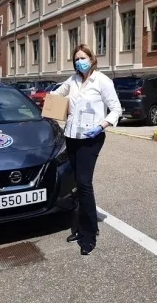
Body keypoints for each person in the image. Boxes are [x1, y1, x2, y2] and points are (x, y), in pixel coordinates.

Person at [51, 44, 122, 255]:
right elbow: (56, 95)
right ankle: (81, 226)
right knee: (76, 183)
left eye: (83, 58)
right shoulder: (72, 80)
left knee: (84, 183)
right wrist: (51, 99)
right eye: (76, 59)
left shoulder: (102, 81)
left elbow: (116, 109)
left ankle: (89, 235)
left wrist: (101, 126)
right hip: (72, 136)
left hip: (91, 139)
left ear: (92, 59)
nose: (79, 61)